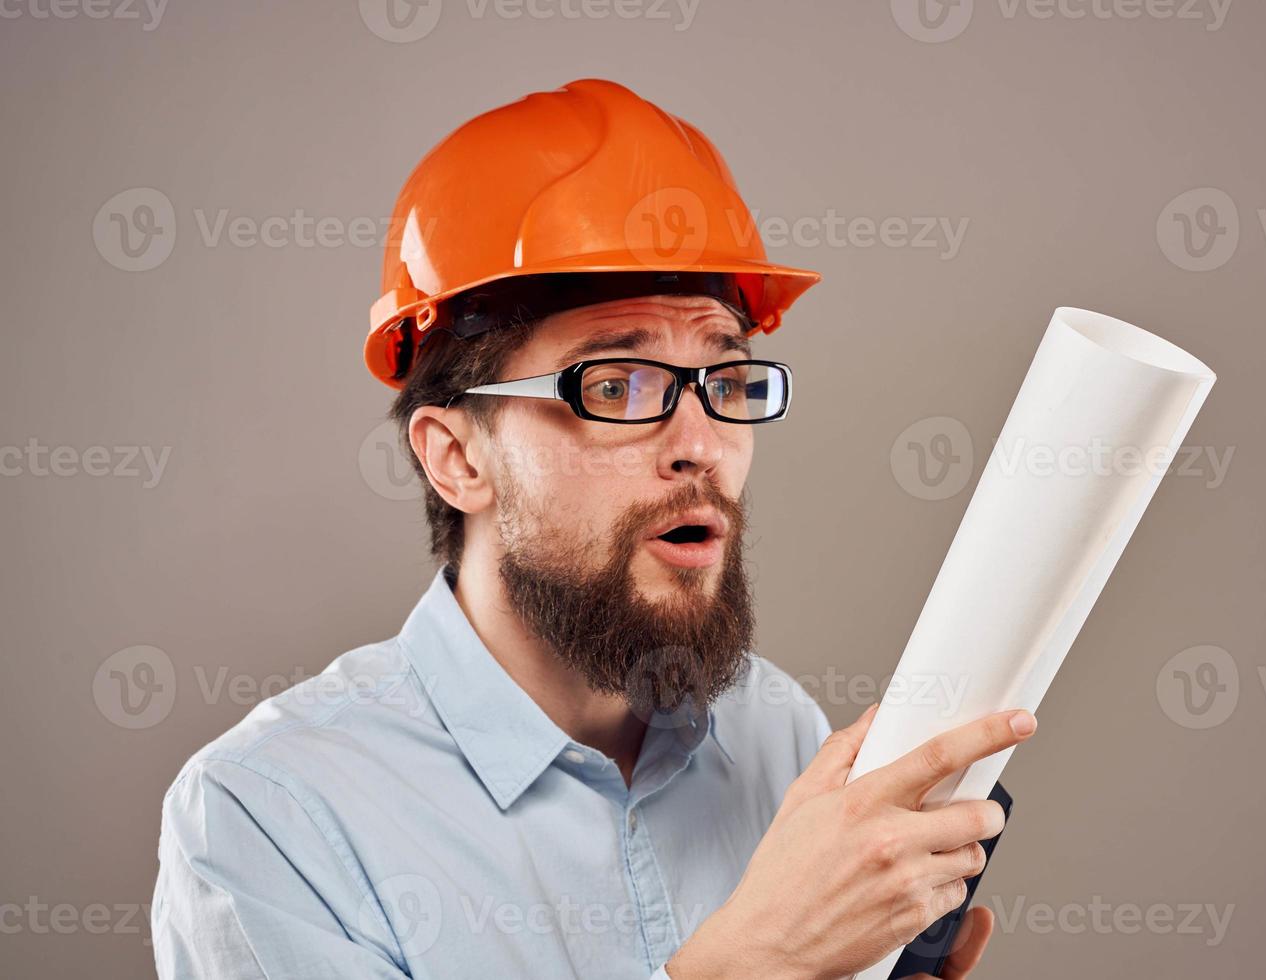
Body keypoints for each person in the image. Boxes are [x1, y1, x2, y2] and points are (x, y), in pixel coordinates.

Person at [150, 78, 1037, 980]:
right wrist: (759, 960)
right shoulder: (270, 815)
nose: (701, 446)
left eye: (725, 381)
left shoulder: (780, 738)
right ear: (457, 458)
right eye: (616, 386)